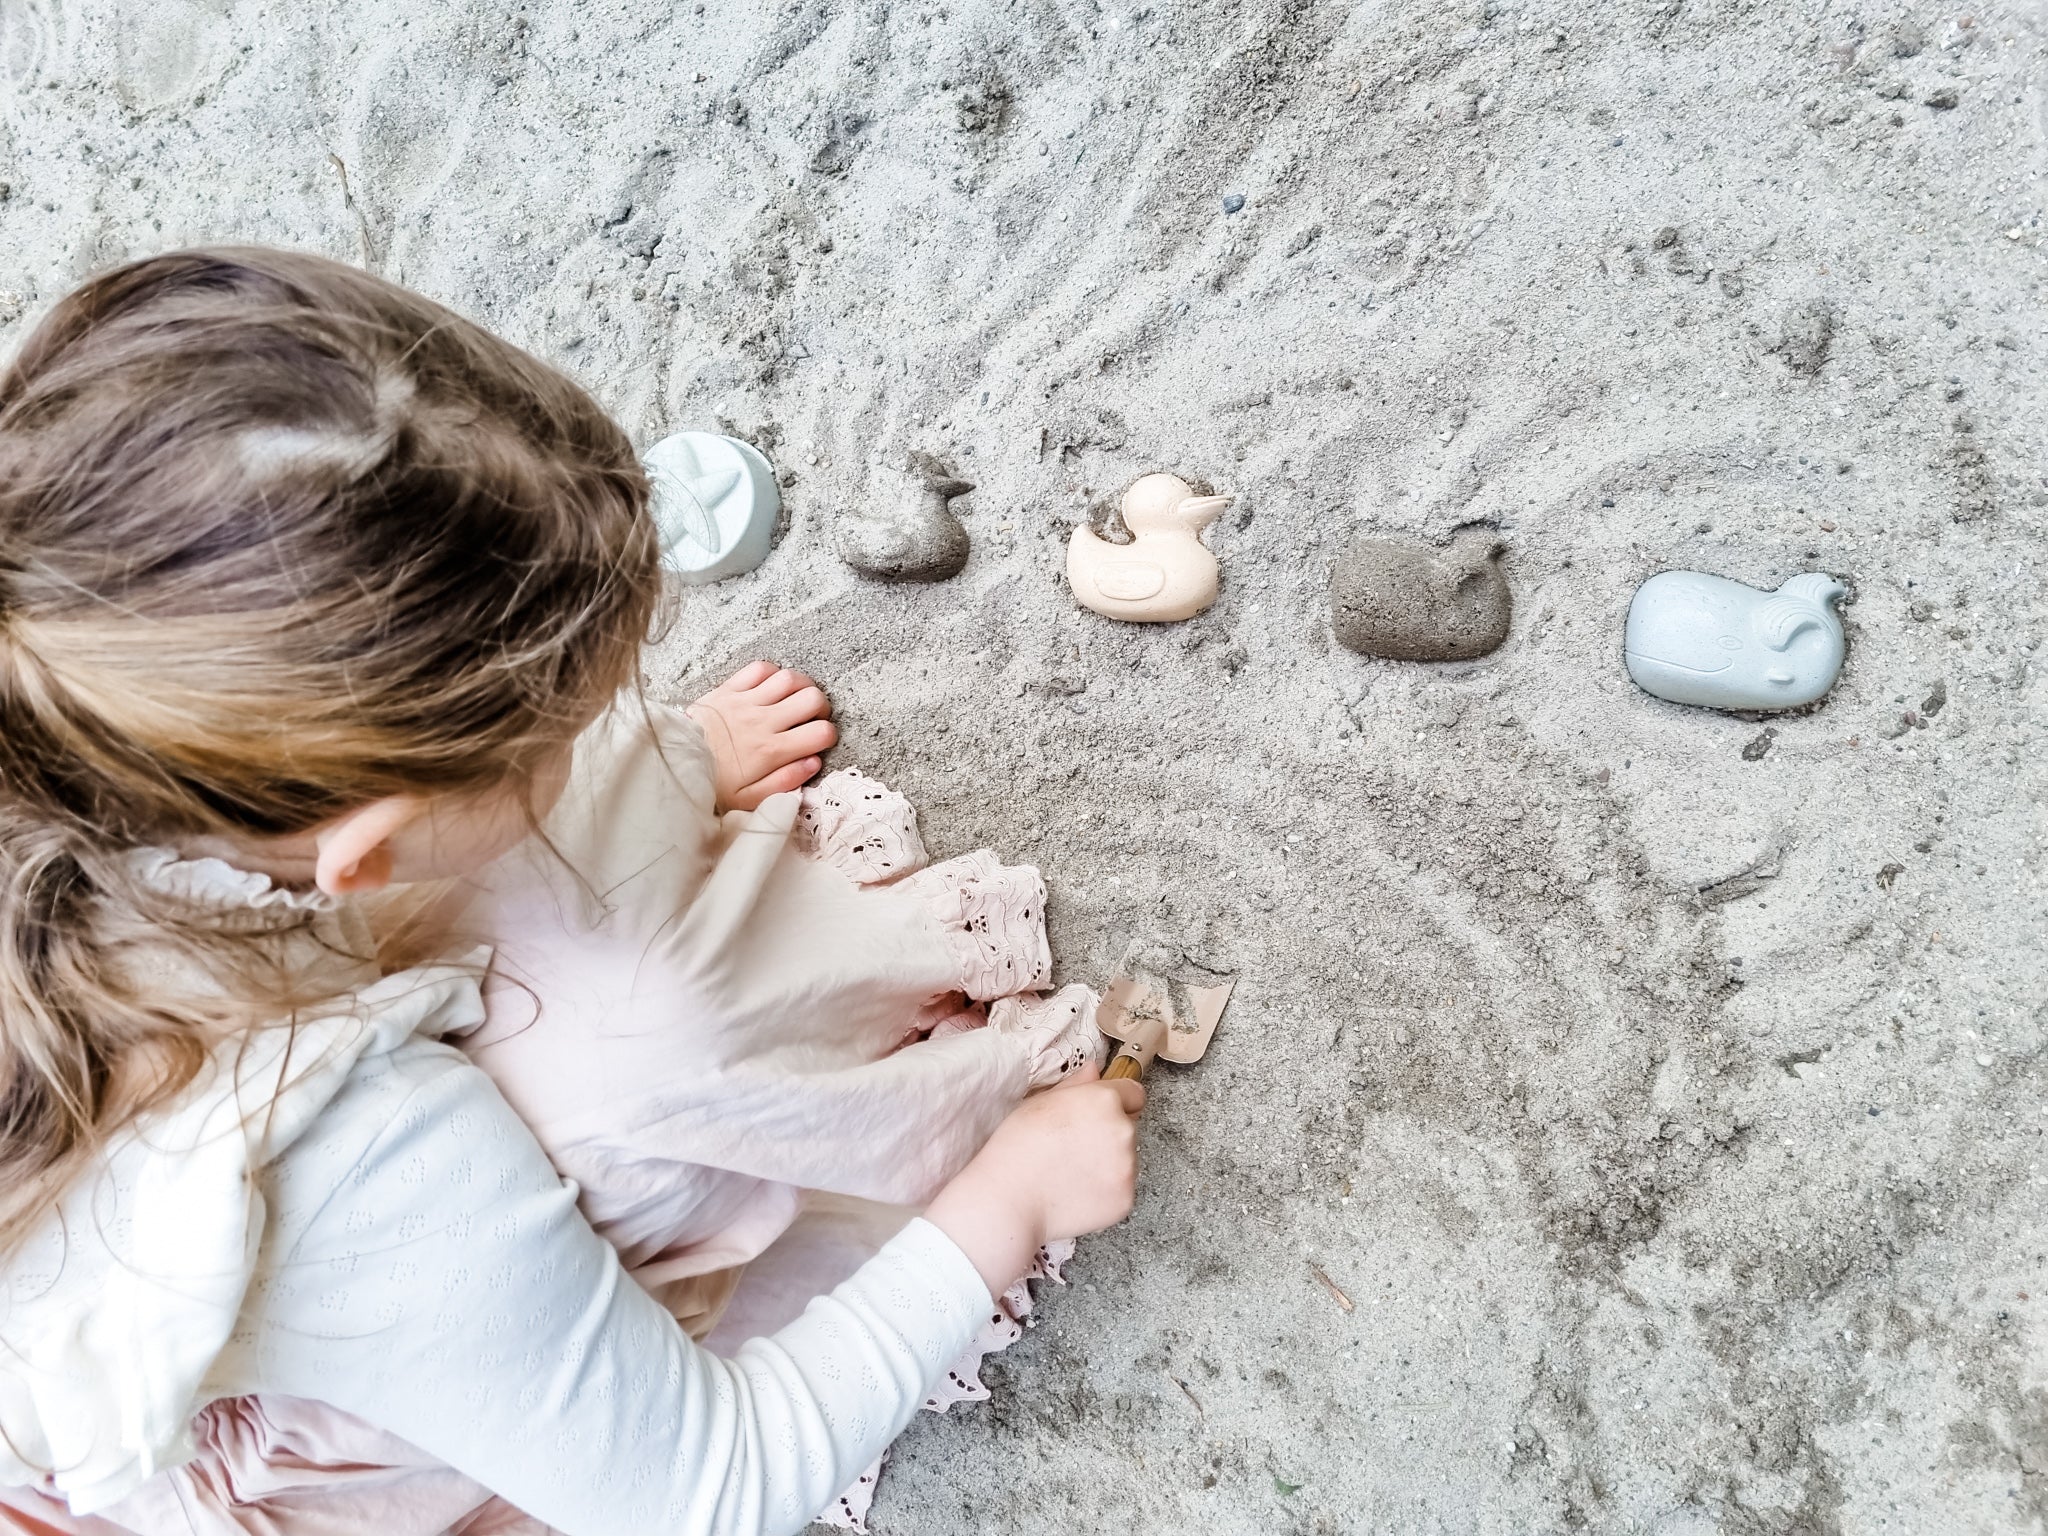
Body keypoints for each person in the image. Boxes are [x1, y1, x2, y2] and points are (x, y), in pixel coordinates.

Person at [0, 248, 1142, 1536]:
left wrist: (669, 760)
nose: (599, 733)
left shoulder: (54, 659)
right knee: (654, 1065)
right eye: (562, 733)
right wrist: (1008, 1202)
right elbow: (708, 1485)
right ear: (359, 855)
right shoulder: (360, 1161)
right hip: (237, 1419)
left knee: (586, 899)